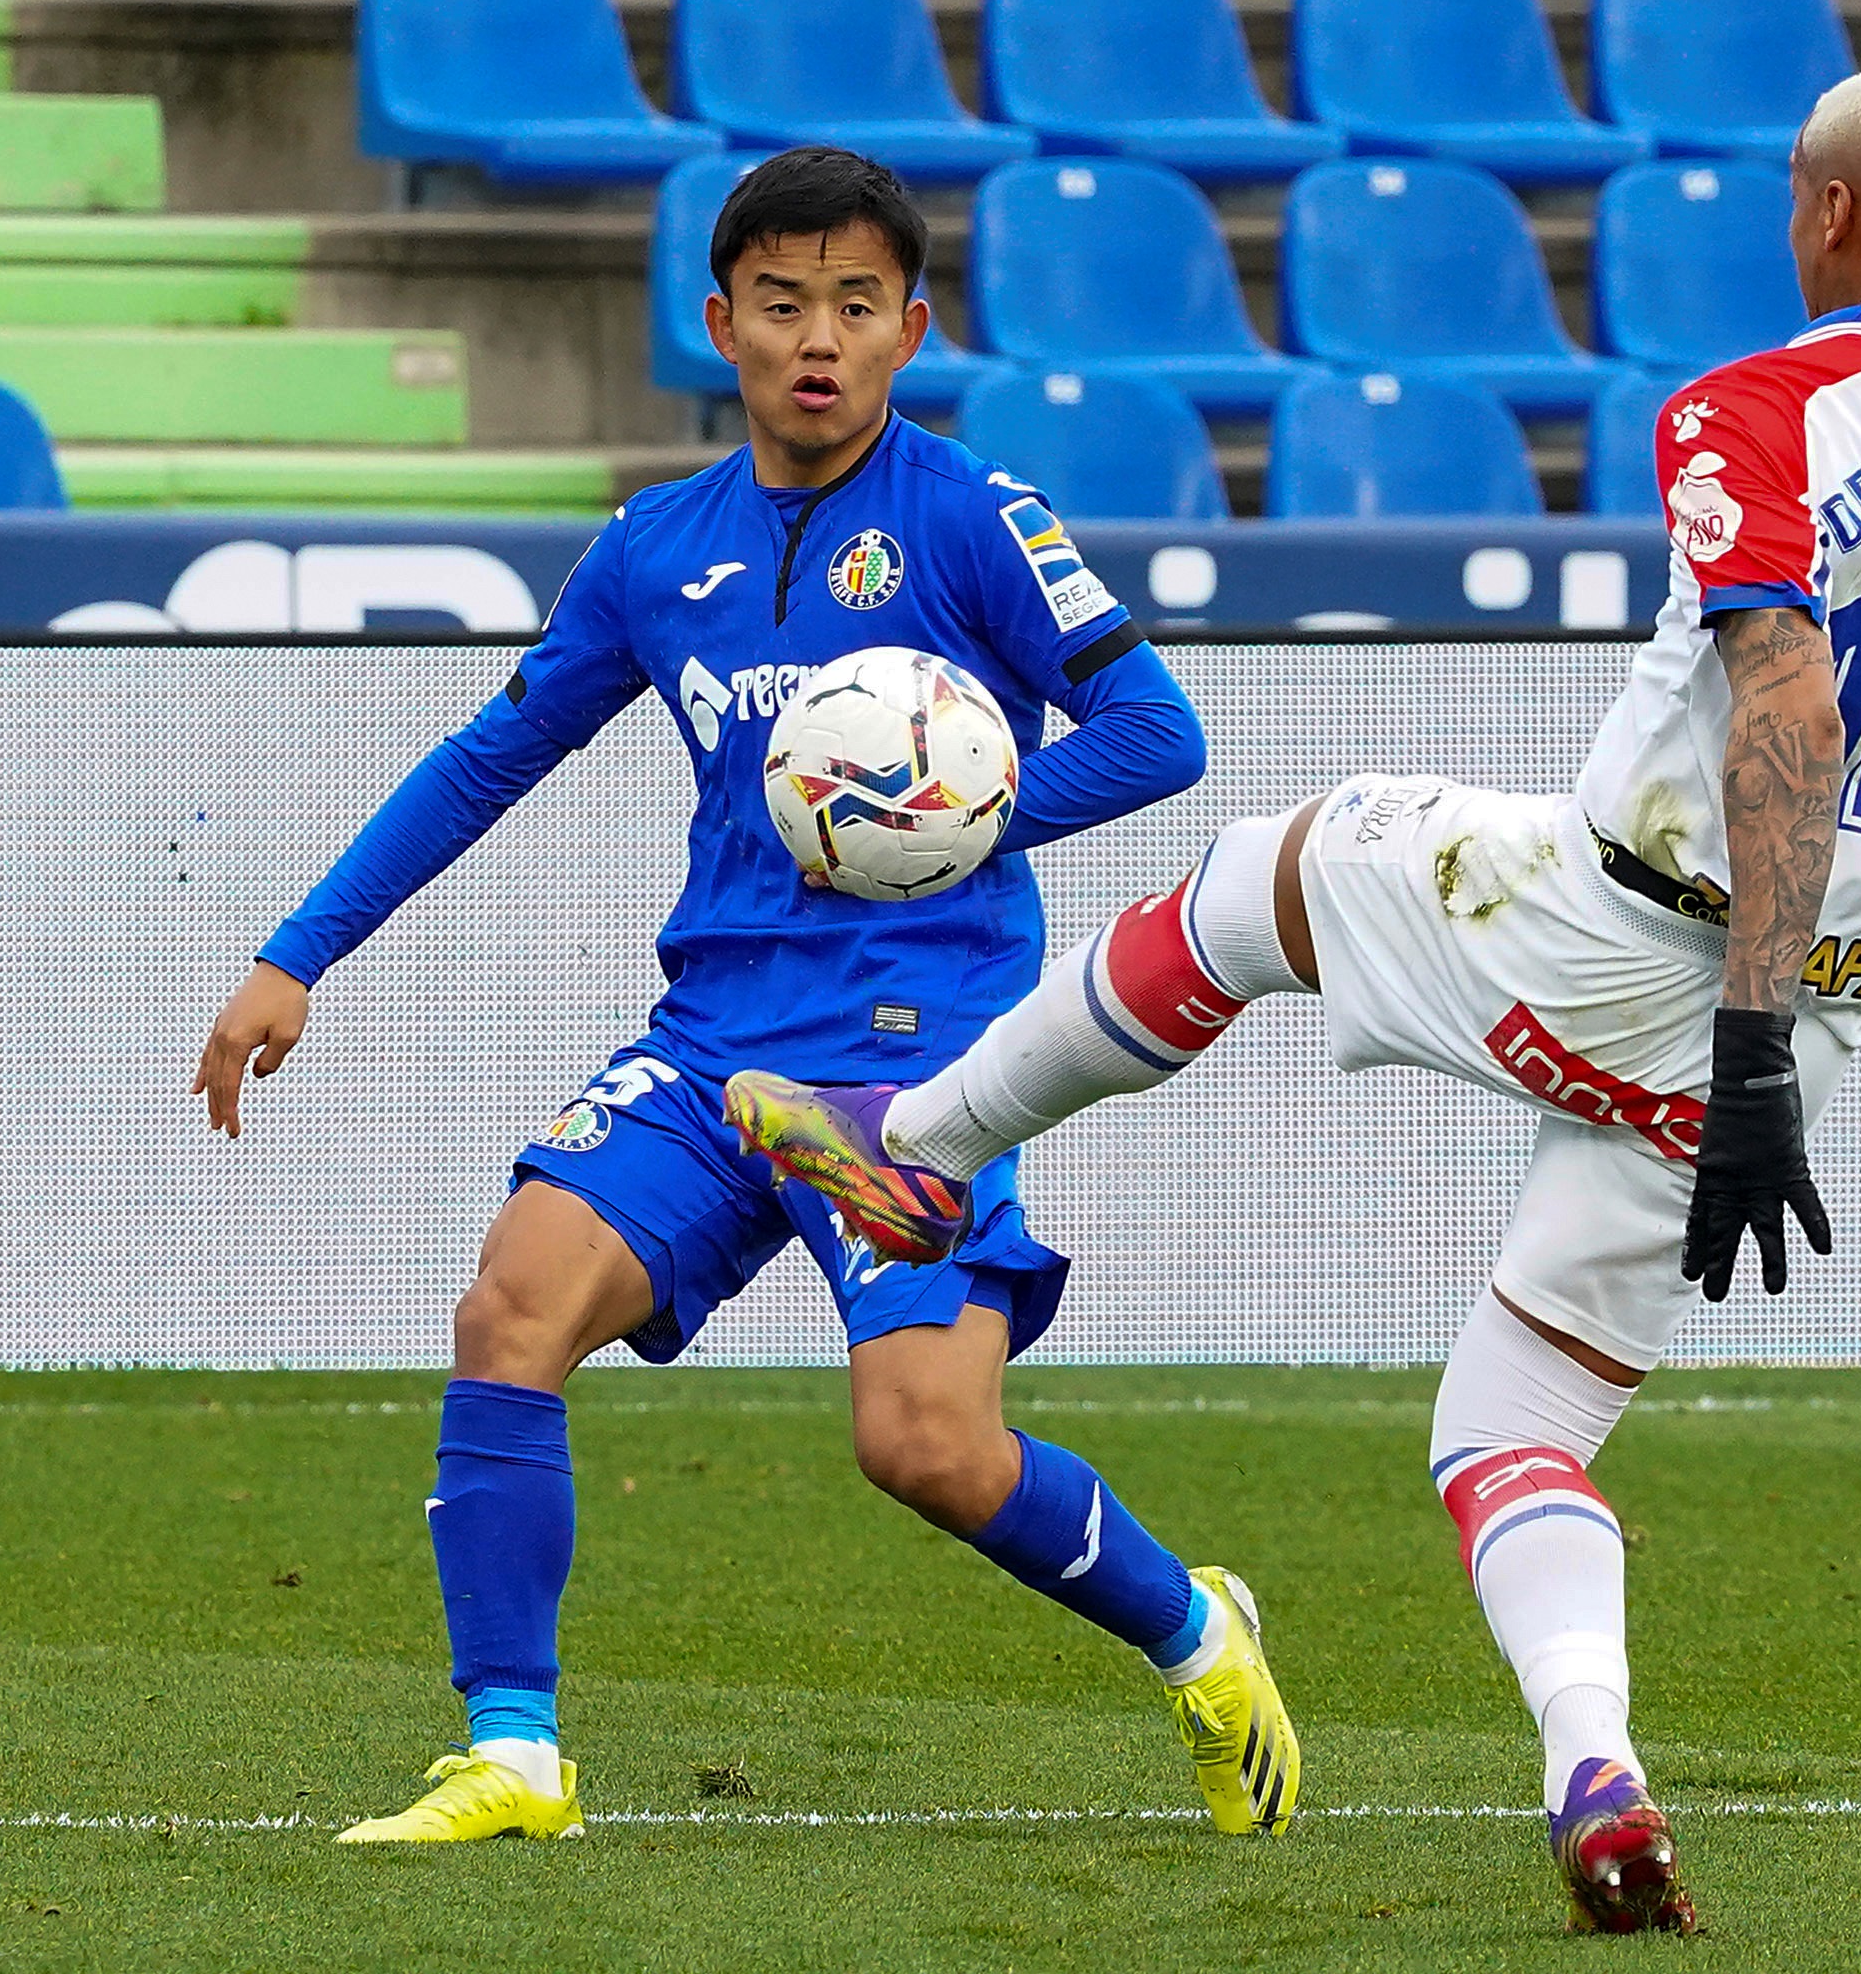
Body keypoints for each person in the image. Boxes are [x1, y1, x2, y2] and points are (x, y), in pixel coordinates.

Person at [726, 66, 1861, 1929]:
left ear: (1825, 213)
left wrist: (1745, 1029)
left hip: (1639, 947)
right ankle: (1596, 1770)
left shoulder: (1754, 410)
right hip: (1822, 1009)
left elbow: (1787, 698)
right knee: (1515, 1429)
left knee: (1271, 874)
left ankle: (922, 1148)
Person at [190, 146, 1300, 1846]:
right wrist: (298, 952)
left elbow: (1161, 737)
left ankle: (1195, 1635)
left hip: (915, 1059)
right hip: (712, 1049)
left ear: (911, 327)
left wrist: (960, 818)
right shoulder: (653, 547)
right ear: (722, 324)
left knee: (925, 1445)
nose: (818, 339)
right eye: (782, 304)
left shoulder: (975, 517)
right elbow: (494, 755)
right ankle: (514, 1754)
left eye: (857, 304)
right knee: (509, 1314)